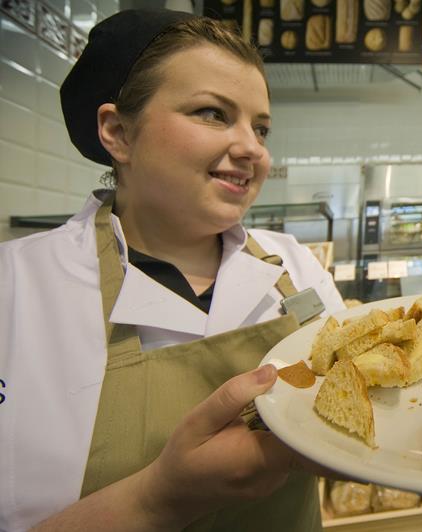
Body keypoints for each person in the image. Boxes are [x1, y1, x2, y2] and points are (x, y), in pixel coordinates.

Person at [0, 9, 345, 531]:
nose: (253, 147)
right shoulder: (16, 289)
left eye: (262, 127)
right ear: (117, 132)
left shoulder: (295, 264)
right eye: (212, 113)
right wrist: (157, 499)